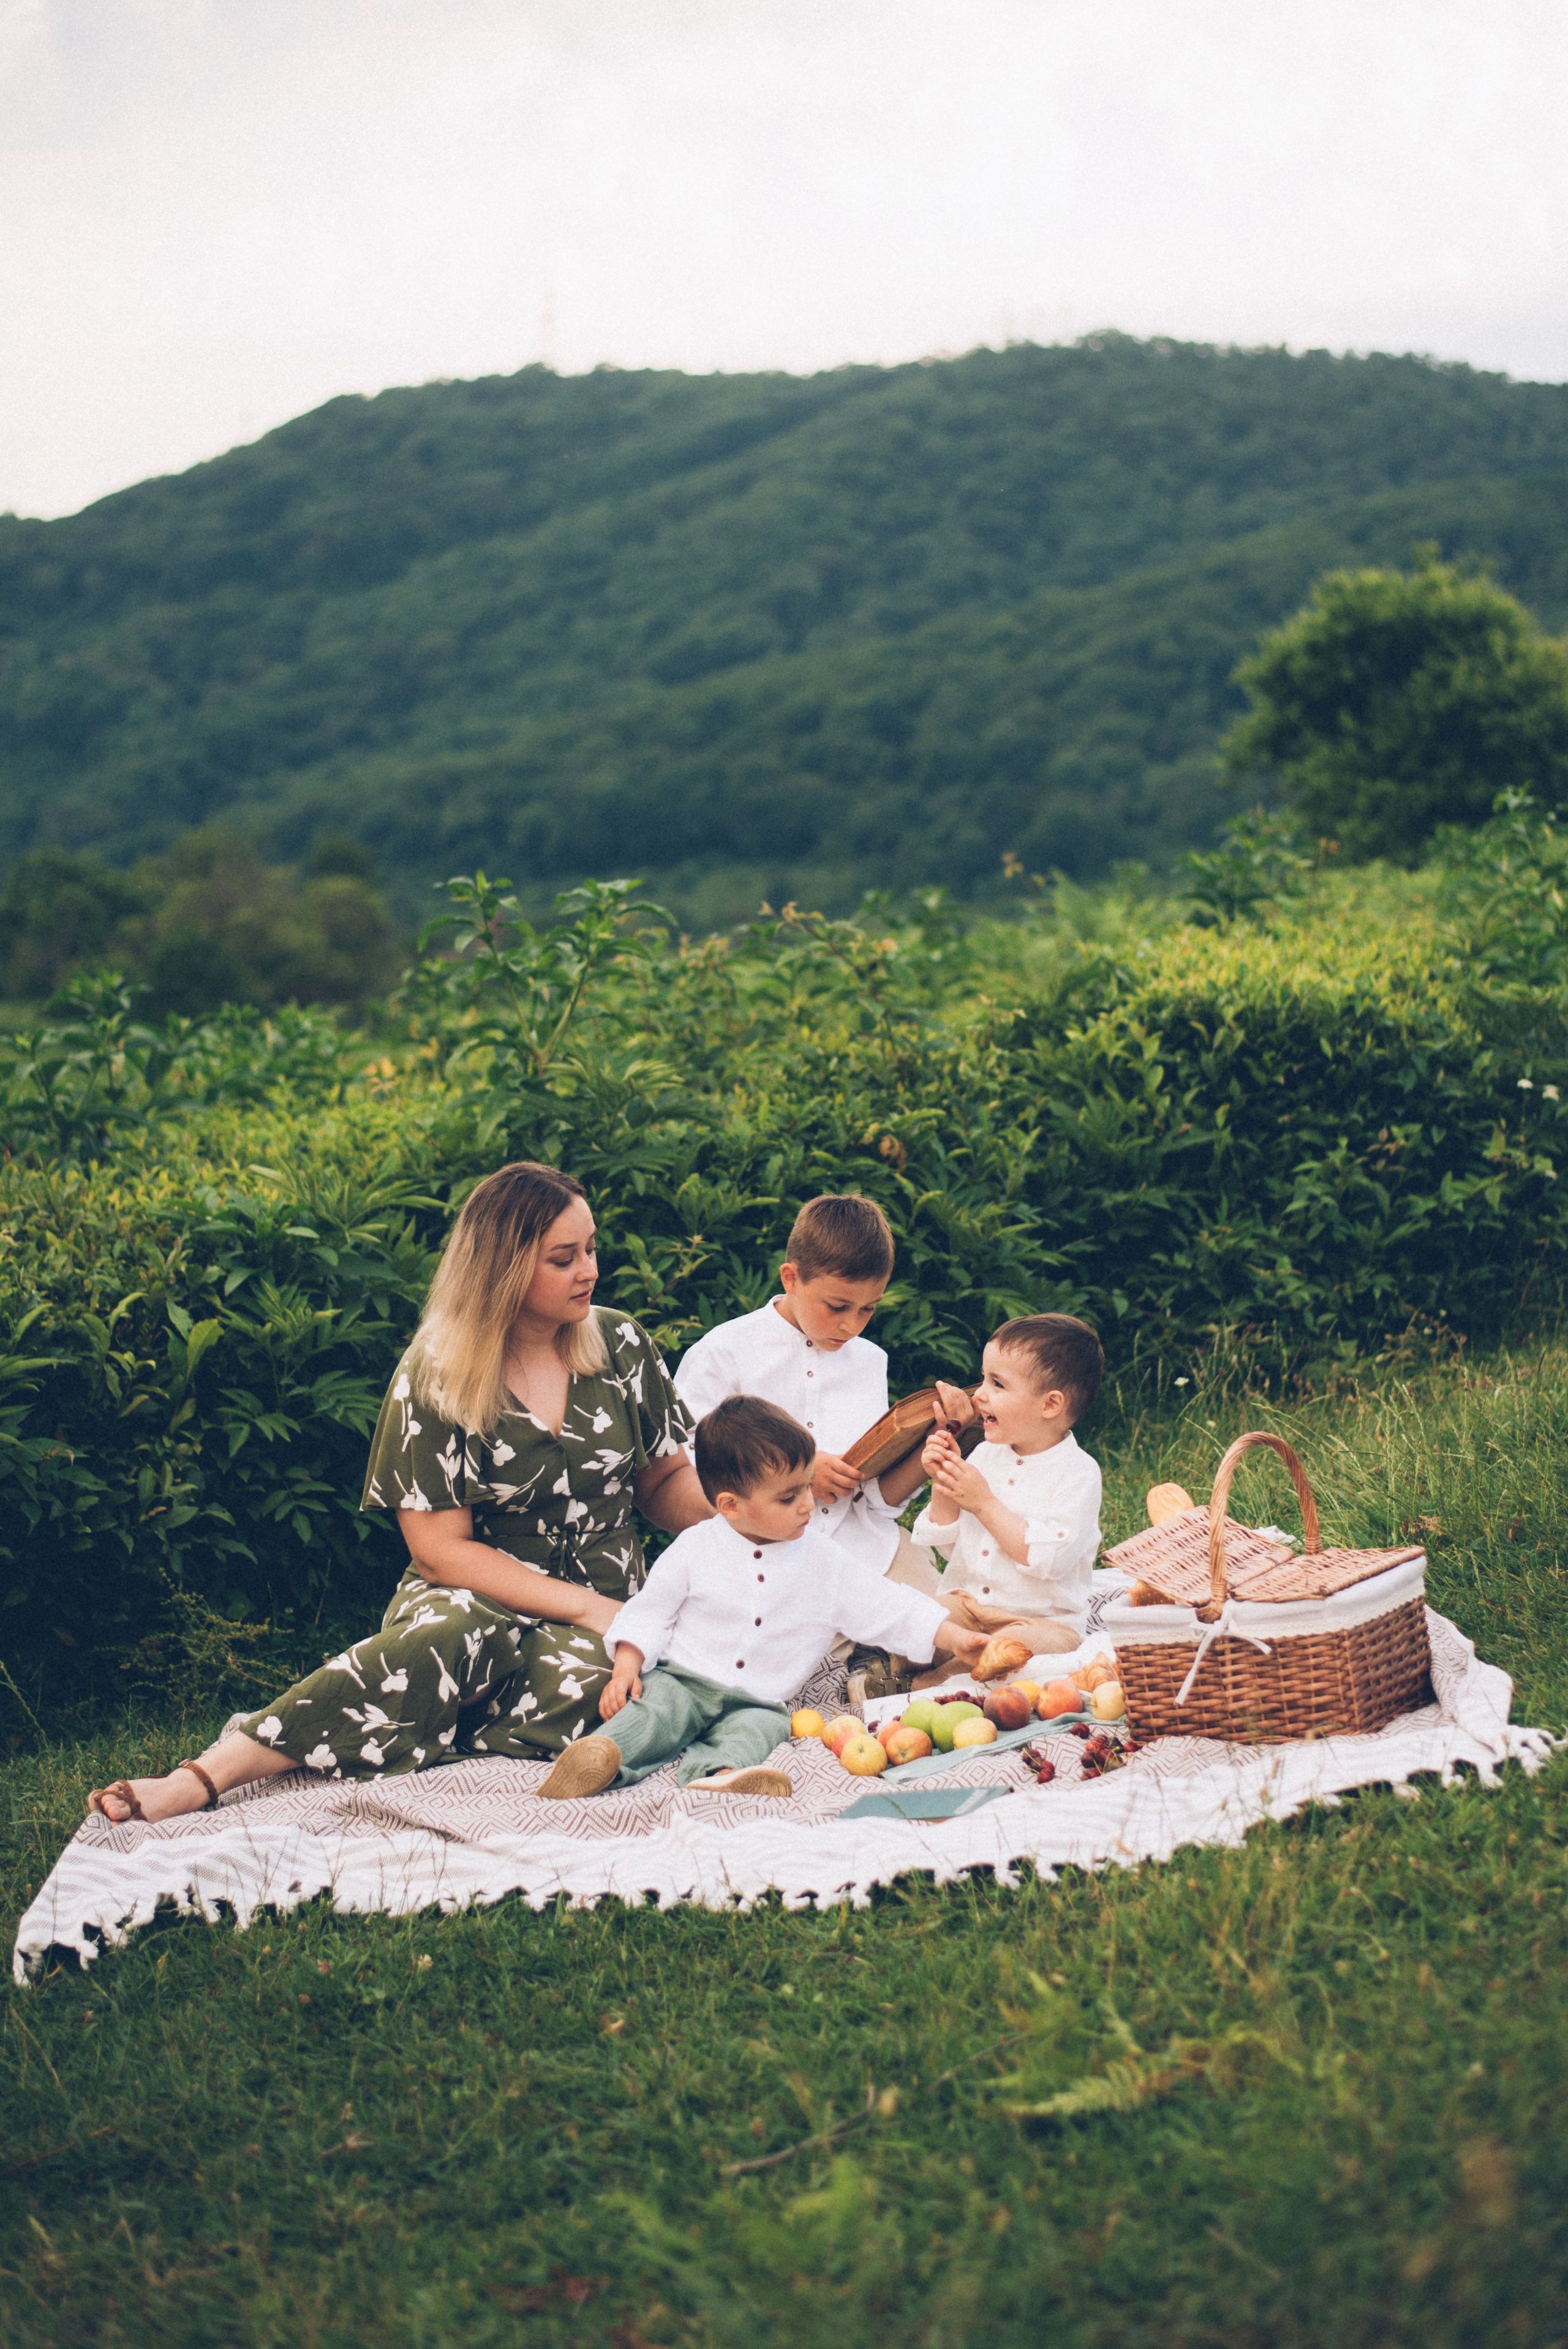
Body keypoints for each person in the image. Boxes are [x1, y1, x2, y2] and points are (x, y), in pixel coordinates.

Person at [86, 1163, 710, 1824]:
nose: (588, 1269)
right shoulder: (438, 1371)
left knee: (604, 1690)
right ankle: (213, 1772)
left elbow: (663, 1483)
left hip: (610, 1604)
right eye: (563, 1258)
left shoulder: (620, 1344)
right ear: (501, 1266)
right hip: (474, 1592)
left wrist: (749, 1521)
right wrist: (586, 1608)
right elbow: (442, 1552)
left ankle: (426, 1704)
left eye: (590, 1249)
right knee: (451, 1634)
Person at [534, 1397, 988, 1801]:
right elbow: (650, 1613)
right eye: (790, 1497)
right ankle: (602, 1757)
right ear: (730, 1505)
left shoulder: (824, 1559)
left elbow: (888, 1606)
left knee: (764, 1727)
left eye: (809, 1487)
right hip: (684, 1678)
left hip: (758, 1697)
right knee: (654, 1713)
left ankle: (721, 1772)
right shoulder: (695, 1548)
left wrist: (952, 1637)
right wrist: (627, 1667)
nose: (809, 1504)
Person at [673, 1194, 973, 1603]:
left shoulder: (870, 1361)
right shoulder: (724, 1351)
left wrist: (933, 1441)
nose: (851, 1325)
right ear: (791, 1279)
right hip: (761, 1556)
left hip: (865, 1548)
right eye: (836, 1306)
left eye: (868, 1309)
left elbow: (876, 1501)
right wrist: (795, 1470)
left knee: (949, 1630)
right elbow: (685, 1463)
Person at [905, 1313, 1104, 1681]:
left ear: (1050, 1405)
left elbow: (1048, 1561)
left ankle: (933, 1686)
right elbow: (954, 1548)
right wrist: (944, 1484)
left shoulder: (1078, 1474)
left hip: (1041, 1620)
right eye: (984, 1378)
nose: (979, 1394)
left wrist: (984, 1503)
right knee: (917, 1616)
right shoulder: (984, 1455)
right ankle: (910, 1670)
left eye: (997, 1384)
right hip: (968, 1605)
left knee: (1010, 1652)